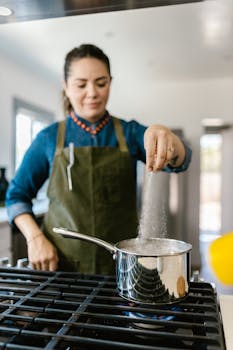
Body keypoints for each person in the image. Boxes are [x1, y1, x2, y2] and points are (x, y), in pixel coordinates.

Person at [6, 44, 192, 274]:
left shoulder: (129, 133)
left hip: (122, 269)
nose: (92, 92)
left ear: (110, 83)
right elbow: (16, 196)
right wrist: (35, 238)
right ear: (65, 86)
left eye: (101, 83)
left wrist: (170, 140)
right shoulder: (49, 138)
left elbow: (182, 161)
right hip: (62, 268)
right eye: (81, 84)